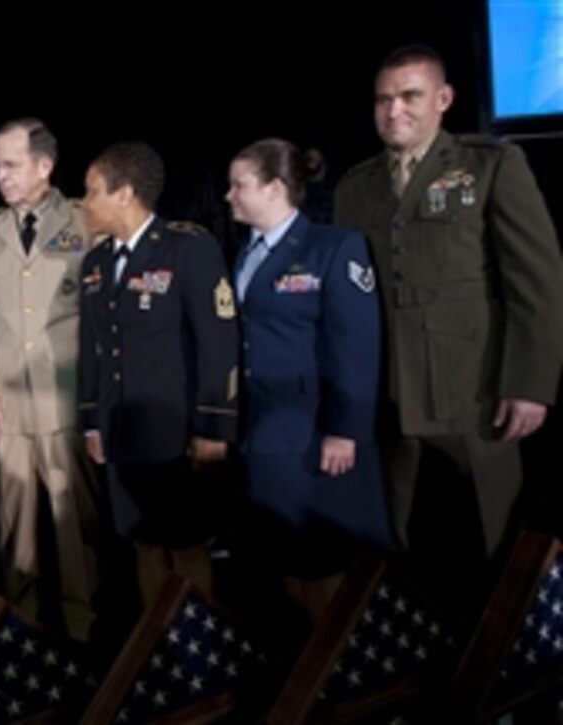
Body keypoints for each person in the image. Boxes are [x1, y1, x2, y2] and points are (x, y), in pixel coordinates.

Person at [334, 45, 563, 622]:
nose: (394, 111)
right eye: (384, 99)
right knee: (409, 555)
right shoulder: (354, 188)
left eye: (409, 96)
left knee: (496, 551)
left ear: (443, 99)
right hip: (392, 400)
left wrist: (530, 382)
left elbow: (536, 282)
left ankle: (510, 684)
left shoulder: (490, 165)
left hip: (475, 393)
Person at [226, 138, 390, 624]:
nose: (228, 195)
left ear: (275, 188)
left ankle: (335, 675)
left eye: (239, 185)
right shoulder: (246, 254)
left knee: (323, 566)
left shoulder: (334, 248)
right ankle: (300, 674)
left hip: (313, 434)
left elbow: (356, 345)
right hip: (264, 432)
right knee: (284, 562)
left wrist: (346, 429)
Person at [78, 141, 238, 607]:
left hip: (177, 436)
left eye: (91, 192)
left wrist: (213, 426)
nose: (83, 203)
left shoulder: (188, 248)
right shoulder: (96, 264)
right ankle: (161, 651)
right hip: (123, 436)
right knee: (144, 544)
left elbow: (218, 343)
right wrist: (92, 421)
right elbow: (92, 350)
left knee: (186, 546)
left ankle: (201, 656)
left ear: (124, 193)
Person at [0, 119, 101, 641]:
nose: (1, 175)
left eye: (12, 164)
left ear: (45, 166)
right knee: (14, 532)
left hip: (67, 402)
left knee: (76, 529)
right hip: (11, 408)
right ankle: (23, 631)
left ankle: (84, 628)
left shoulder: (86, 222)